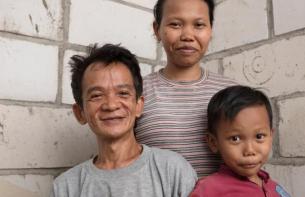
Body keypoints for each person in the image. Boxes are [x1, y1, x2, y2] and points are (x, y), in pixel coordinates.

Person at [50, 44, 197, 197]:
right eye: (96, 95)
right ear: (80, 113)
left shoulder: (174, 171)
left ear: (139, 105)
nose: (111, 105)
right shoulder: (65, 188)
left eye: (123, 93)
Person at [135, 0, 237, 177]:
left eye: (199, 25)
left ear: (210, 30)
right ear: (157, 29)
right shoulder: (136, 93)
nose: (188, 35)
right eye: (175, 24)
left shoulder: (232, 93)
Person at [190, 85, 291, 197]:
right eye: (235, 139)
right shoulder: (209, 189)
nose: (249, 150)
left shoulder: (274, 187)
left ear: (271, 136)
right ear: (213, 142)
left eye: (259, 136)